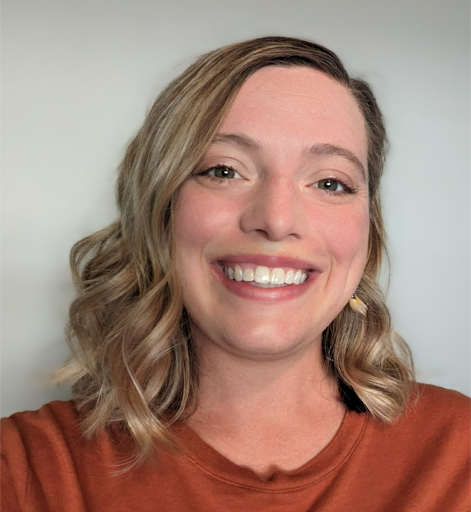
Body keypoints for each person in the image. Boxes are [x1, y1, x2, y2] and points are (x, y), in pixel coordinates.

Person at [1, 36, 470, 512]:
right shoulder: (24, 471)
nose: (277, 220)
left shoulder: (459, 450)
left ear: (367, 232)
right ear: (158, 211)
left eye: (331, 182)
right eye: (224, 171)